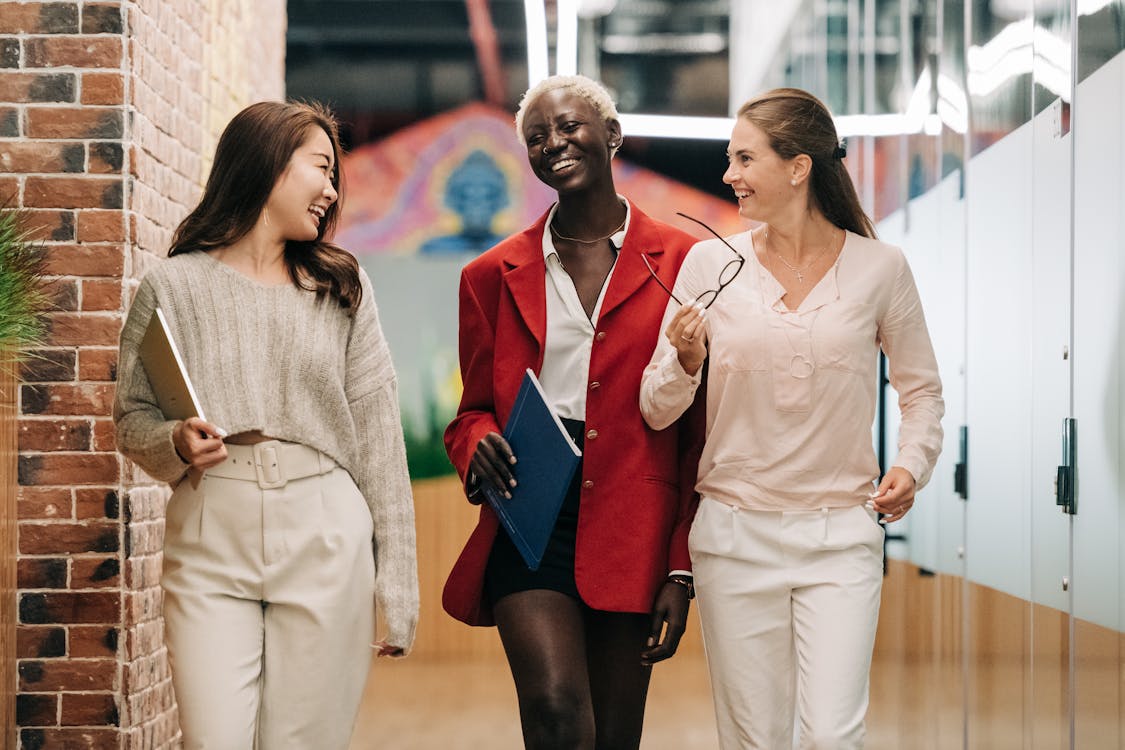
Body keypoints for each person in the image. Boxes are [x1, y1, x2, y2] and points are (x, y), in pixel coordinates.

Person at [640, 88, 945, 749]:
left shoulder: (880, 269)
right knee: (754, 738)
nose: (728, 175)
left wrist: (909, 465)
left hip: (840, 538)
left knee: (834, 736)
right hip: (731, 538)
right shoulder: (709, 264)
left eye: (744, 158)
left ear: (797, 166)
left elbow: (921, 392)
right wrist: (683, 360)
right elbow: (656, 408)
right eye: (729, 159)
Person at [113, 101, 419, 750]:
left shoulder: (341, 288)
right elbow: (131, 417)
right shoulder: (171, 285)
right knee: (215, 739)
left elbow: (378, 437)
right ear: (269, 166)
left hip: (326, 530)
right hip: (208, 531)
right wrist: (172, 440)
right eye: (320, 168)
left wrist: (397, 579)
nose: (332, 190)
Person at [442, 74, 704, 750]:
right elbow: (469, 410)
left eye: (567, 126)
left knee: (614, 736)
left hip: (633, 518)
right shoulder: (488, 276)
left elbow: (699, 432)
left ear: (611, 134)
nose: (552, 143)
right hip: (528, 514)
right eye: (536, 137)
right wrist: (476, 442)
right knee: (557, 711)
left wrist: (681, 567)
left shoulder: (684, 263)